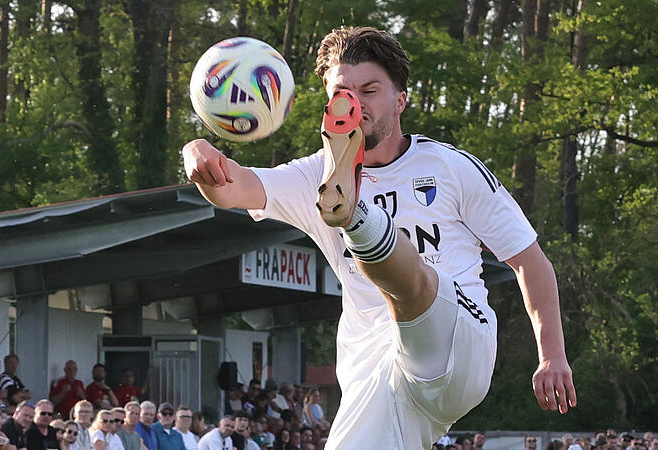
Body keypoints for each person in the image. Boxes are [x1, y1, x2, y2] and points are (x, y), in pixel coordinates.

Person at [182, 25, 576, 448]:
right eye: (341, 92)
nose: (353, 102)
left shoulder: (452, 168)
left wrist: (552, 354)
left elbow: (529, 260)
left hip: (458, 343)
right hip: (375, 373)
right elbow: (230, 189)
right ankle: (355, 212)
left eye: (369, 90)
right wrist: (197, 154)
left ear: (400, 99)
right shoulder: (312, 174)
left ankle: (356, 215)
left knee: (418, 286)